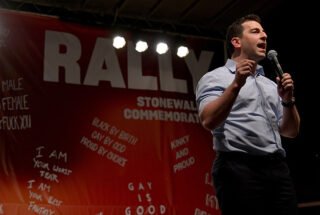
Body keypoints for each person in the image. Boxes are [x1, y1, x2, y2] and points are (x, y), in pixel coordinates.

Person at [196, 14, 300, 215]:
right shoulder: (215, 78)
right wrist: (236, 84)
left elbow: (290, 131)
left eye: (264, 32)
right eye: (255, 32)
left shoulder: (270, 84)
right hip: (238, 168)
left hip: (277, 169)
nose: (264, 36)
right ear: (236, 42)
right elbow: (208, 120)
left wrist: (288, 101)